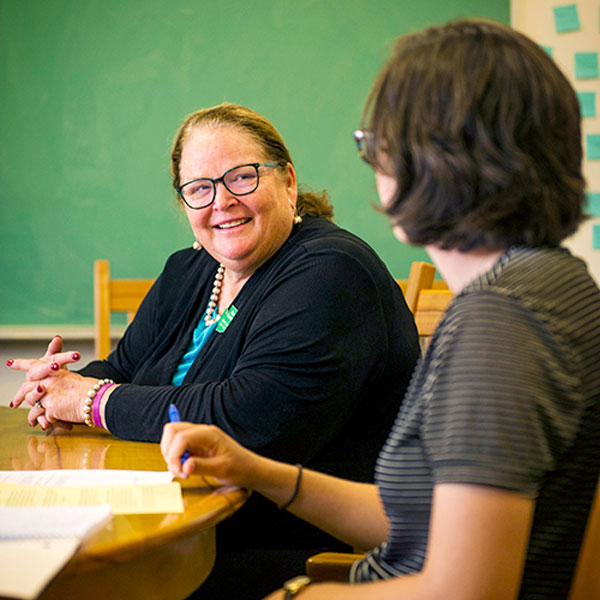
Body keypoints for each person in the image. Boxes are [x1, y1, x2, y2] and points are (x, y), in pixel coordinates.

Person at [160, 20, 600, 600]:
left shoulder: (501, 324)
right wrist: (257, 471)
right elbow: (425, 519)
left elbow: (468, 591)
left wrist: (297, 597)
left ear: (439, 159)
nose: (371, 159)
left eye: (376, 141)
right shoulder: (556, 285)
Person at [7, 103, 420, 597]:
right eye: (200, 188)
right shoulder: (190, 270)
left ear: (288, 182)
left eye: (241, 177)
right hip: (178, 515)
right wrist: (57, 390)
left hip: (282, 547)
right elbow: (122, 370)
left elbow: (246, 417)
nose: (221, 201)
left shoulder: (329, 270)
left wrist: (91, 401)